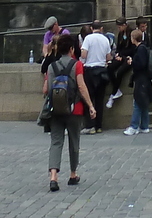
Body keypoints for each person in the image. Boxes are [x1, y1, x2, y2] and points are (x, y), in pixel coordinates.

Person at [43, 33, 95, 191]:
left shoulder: (51, 66)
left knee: (56, 142)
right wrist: (91, 106)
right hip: (75, 109)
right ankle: (73, 174)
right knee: (74, 141)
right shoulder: (77, 64)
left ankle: (53, 176)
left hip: (56, 109)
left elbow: (45, 90)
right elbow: (81, 86)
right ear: (72, 49)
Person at [79, 21, 111, 132]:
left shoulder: (88, 38)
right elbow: (108, 57)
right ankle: (99, 126)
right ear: (101, 28)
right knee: (100, 99)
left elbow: (84, 55)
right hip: (102, 70)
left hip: (90, 70)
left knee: (89, 98)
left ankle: (90, 125)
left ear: (92, 28)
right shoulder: (106, 39)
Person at [123, 28, 152, 135]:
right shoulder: (143, 48)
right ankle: (144, 126)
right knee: (143, 103)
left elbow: (141, 64)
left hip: (141, 79)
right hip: (144, 79)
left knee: (137, 103)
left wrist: (132, 62)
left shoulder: (140, 49)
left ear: (133, 38)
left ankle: (134, 126)